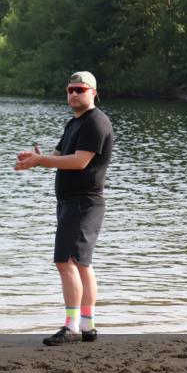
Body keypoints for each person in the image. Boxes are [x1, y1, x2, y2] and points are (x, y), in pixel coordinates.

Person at [14, 71, 114, 346]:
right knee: (81, 263)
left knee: (66, 261)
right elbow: (60, 155)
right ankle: (87, 325)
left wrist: (40, 161)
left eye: (79, 89)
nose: (73, 94)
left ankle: (71, 327)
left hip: (84, 203)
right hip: (73, 203)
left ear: (93, 92)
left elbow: (80, 161)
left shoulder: (96, 122)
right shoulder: (75, 123)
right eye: (70, 90)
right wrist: (36, 157)